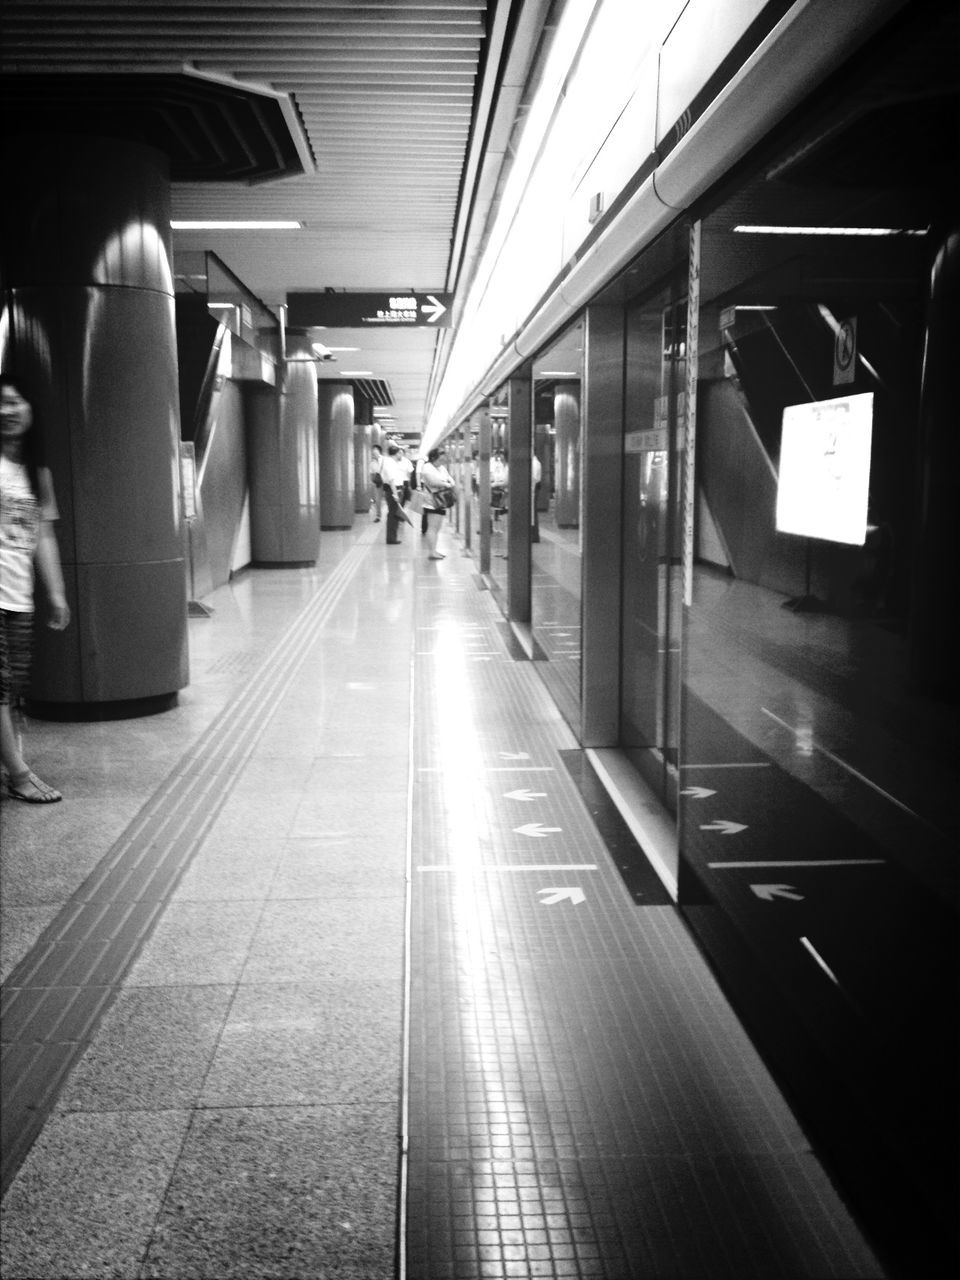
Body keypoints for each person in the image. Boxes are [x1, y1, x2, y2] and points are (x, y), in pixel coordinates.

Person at [0, 374, 71, 803]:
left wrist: (57, 592)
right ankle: (19, 774)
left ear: (31, 409)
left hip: (17, 595)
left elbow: (44, 533)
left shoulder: (36, 471)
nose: (7, 411)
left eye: (14, 401)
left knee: (12, 687)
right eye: (0, 404)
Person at [420, 446, 456, 560]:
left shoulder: (441, 468)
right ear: (434, 457)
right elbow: (433, 482)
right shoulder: (427, 467)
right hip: (432, 501)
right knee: (432, 527)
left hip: (441, 500)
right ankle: (431, 552)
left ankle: (434, 550)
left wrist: (446, 483)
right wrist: (446, 484)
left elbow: (451, 480)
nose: (443, 459)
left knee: (437, 527)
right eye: (441, 456)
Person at [381, 443, 412, 544]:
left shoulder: (392, 462)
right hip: (393, 490)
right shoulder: (388, 463)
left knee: (394, 514)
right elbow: (391, 480)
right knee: (393, 514)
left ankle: (392, 537)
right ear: (395, 453)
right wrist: (395, 494)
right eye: (399, 453)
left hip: (398, 489)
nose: (401, 455)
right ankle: (391, 538)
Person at [369, 443, 384, 521]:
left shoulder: (385, 460)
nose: (374, 453)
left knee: (391, 499)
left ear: (379, 452)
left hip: (388, 482)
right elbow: (371, 474)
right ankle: (378, 516)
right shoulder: (372, 463)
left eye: (375, 452)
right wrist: (373, 481)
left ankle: (394, 513)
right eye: (373, 452)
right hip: (379, 483)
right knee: (378, 499)